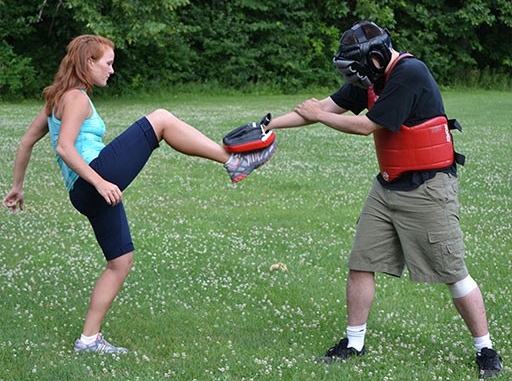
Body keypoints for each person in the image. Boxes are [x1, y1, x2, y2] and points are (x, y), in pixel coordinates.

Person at [2, 34, 276, 354]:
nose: (111, 70)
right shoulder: (75, 98)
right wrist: (100, 182)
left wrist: (18, 186)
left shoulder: (56, 99)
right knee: (160, 120)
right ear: (88, 63)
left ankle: (88, 340)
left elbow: (25, 143)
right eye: (107, 63)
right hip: (95, 179)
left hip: (85, 190)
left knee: (120, 261)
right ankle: (234, 161)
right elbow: (65, 148)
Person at [264, 21, 502, 378]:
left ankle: (486, 350)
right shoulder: (372, 80)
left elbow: (365, 126)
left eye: (356, 68)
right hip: (388, 186)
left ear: (374, 58)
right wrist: (268, 125)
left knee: (453, 273)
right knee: (361, 262)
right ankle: (353, 343)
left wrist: (318, 115)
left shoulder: (409, 73)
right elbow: (326, 107)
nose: (354, 77)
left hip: (428, 188)